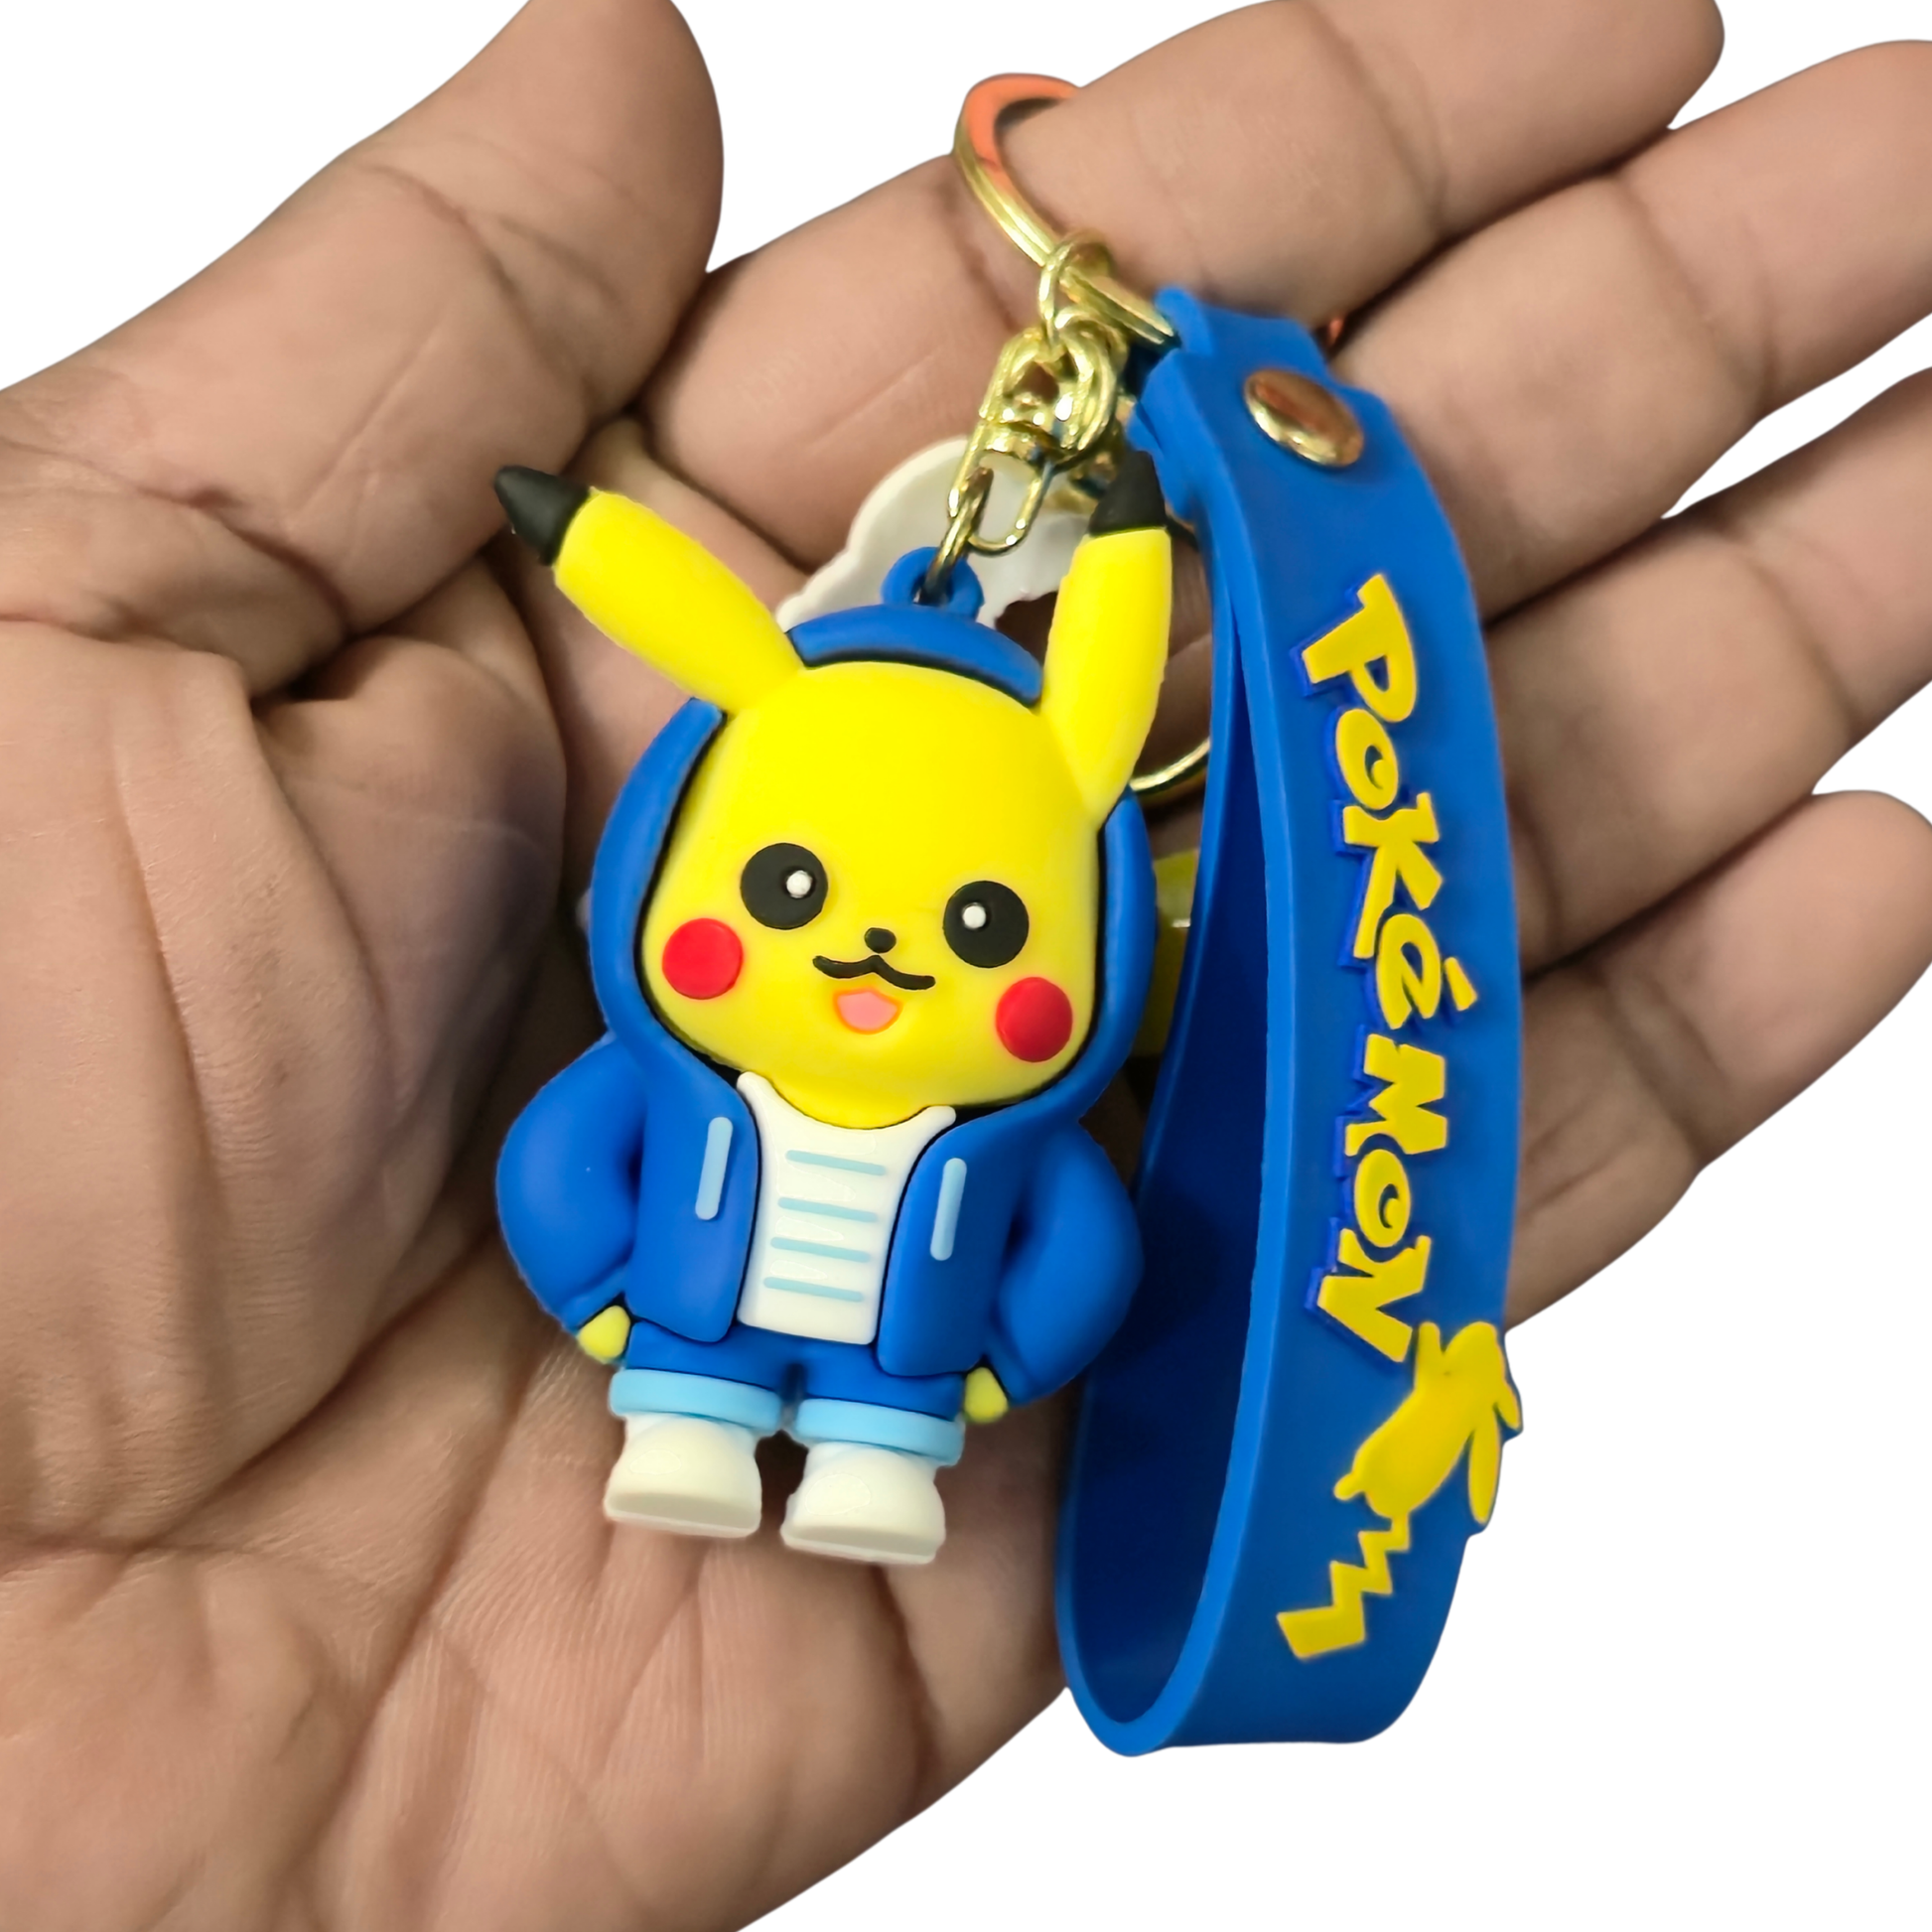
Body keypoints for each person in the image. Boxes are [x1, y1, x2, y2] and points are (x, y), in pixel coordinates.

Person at [0, 0, 1927, 1926]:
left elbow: (1077, 1244)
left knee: (874, 1453)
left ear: (1091, 950)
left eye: (983, 930)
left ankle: (872, 1461)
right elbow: (563, 1161)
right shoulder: (678, 1075)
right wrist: (594, 1300)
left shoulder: (1014, 1128)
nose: (861, 950)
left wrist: (1003, 1364)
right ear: (661, 889)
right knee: (695, 1412)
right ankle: (698, 1422)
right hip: (672, 1344)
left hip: (914, 1390)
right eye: (780, 898)